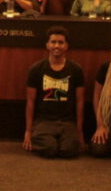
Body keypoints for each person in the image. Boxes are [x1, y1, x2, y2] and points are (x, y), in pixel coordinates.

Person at [23, 26, 85, 158]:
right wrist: (28, 131)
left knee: (68, 150)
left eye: (61, 42)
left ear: (66, 46)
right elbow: (30, 102)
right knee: (49, 149)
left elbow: (79, 101)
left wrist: (79, 131)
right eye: (53, 42)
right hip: (43, 121)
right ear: (47, 45)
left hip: (67, 122)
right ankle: (43, 139)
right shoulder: (36, 69)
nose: (57, 46)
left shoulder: (76, 70)